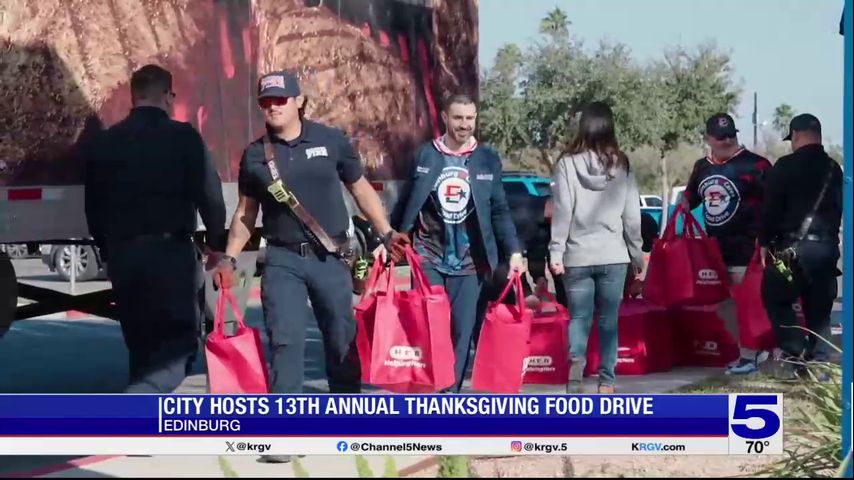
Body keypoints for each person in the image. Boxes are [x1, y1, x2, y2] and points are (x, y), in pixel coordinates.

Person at [212, 71, 407, 461]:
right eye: (266, 102)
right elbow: (246, 214)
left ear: (299, 101)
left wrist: (387, 232)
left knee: (340, 340)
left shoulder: (330, 140)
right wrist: (230, 257)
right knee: (285, 342)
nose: (273, 107)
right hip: (282, 260)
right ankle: (286, 435)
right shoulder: (255, 155)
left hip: (331, 257)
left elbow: (361, 188)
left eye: (280, 100)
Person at [83, 64, 226, 393]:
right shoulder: (183, 137)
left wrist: (108, 252)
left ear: (134, 96)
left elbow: (93, 206)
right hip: (170, 256)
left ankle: (138, 434)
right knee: (179, 348)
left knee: (142, 346)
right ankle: (127, 419)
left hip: (123, 257)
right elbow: (210, 196)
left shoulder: (105, 142)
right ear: (167, 96)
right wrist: (217, 246)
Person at [391, 93, 526, 393]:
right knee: (431, 331)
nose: (464, 125)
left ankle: (449, 397)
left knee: (461, 333)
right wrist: (389, 237)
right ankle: (429, 393)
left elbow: (500, 210)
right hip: (429, 257)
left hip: (470, 261)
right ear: (444, 118)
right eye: (458, 118)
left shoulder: (487, 158)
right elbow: (406, 203)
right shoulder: (426, 155)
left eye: (470, 118)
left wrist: (514, 251)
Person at [548, 101, 644, 395]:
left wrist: (556, 251)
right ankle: (607, 382)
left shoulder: (566, 164)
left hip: (577, 255)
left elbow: (563, 210)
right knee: (608, 321)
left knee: (579, 318)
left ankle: (575, 379)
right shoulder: (623, 164)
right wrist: (637, 254)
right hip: (614, 255)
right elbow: (632, 216)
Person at [681, 113, 773, 375]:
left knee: (749, 303)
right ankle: (748, 351)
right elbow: (691, 195)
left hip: (748, 250)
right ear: (709, 138)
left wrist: (768, 240)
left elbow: (775, 203)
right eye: (720, 136)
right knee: (725, 305)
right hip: (714, 252)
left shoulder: (757, 165)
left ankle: (751, 354)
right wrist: (685, 204)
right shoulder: (702, 166)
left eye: (731, 134)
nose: (727, 140)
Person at [759, 114, 842, 376]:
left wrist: (764, 242)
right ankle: (819, 363)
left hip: (793, 254)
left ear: (795, 134)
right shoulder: (834, 168)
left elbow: (771, 210)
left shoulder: (784, 166)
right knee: (819, 310)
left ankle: (795, 354)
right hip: (826, 250)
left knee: (774, 294)